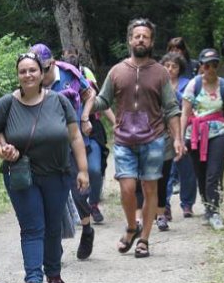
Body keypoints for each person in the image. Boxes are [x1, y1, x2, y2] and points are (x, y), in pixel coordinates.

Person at [0, 52, 89, 283]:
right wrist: (2, 152)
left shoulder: (59, 102)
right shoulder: (7, 103)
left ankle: (53, 272)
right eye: (23, 71)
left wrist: (82, 170)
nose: (28, 75)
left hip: (57, 175)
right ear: (18, 75)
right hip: (21, 175)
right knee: (32, 228)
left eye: (32, 70)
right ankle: (33, 281)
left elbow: (74, 136)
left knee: (53, 226)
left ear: (42, 73)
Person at [92, 18, 184, 258]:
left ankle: (144, 240)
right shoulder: (117, 71)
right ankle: (133, 226)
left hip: (153, 139)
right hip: (123, 140)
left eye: (145, 36)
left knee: (150, 188)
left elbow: (172, 108)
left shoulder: (161, 73)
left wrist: (177, 139)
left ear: (151, 41)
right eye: (136, 36)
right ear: (129, 40)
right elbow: (103, 100)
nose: (140, 39)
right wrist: (86, 100)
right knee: (127, 188)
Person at [30, 43, 97, 261]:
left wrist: (85, 117)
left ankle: (87, 229)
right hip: (48, 148)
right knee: (51, 197)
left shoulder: (70, 73)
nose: (41, 73)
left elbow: (90, 94)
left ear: (52, 62)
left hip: (75, 141)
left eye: (44, 68)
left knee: (79, 193)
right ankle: (54, 247)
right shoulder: (32, 80)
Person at [180, 48, 224, 230]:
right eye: (207, 65)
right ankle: (207, 206)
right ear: (201, 66)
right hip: (196, 135)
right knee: (201, 173)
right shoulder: (193, 85)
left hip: (219, 133)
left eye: (214, 64)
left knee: (214, 173)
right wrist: (180, 139)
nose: (211, 69)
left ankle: (215, 211)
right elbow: (185, 113)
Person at [61, 46, 116, 225]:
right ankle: (80, 207)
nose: (70, 56)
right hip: (67, 133)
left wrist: (115, 123)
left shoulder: (86, 74)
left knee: (94, 169)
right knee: (72, 173)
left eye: (73, 53)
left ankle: (93, 203)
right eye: (67, 53)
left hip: (91, 130)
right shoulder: (56, 77)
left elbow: (99, 99)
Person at [160, 52, 198, 220]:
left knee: (187, 169)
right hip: (163, 131)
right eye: (167, 65)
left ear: (180, 68)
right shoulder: (158, 84)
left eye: (174, 66)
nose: (170, 69)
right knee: (166, 170)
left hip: (185, 129)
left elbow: (193, 105)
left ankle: (187, 204)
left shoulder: (188, 84)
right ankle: (165, 206)